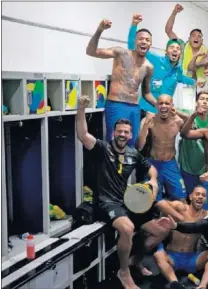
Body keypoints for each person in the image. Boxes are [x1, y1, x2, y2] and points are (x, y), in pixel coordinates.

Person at [76, 95, 168, 289]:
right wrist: (81, 109)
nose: (122, 135)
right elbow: (83, 135)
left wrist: (152, 180)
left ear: (130, 135)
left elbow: (151, 169)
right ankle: (124, 272)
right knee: (127, 229)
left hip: (126, 202)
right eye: (119, 131)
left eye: (126, 132)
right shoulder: (102, 148)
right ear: (114, 133)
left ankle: (135, 260)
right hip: (105, 203)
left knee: (161, 229)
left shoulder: (132, 153)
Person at [86, 19, 157, 146]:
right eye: (141, 39)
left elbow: (146, 93)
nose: (144, 42)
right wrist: (100, 30)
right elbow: (91, 51)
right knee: (115, 143)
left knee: (131, 144)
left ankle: (128, 167)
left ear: (150, 44)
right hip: (116, 104)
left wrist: (161, 105)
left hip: (135, 108)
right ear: (135, 41)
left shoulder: (149, 67)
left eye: (147, 40)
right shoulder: (121, 53)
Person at [128, 13, 199, 115]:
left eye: (178, 49)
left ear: (180, 54)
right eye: (172, 47)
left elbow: (183, 78)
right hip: (146, 110)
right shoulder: (155, 60)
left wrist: (196, 83)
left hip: (164, 112)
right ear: (166, 51)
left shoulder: (178, 71)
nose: (175, 50)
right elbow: (133, 48)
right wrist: (134, 25)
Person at [154, 186, 208, 289]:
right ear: (190, 197)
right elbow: (160, 203)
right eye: (197, 194)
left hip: (191, 259)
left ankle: (203, 285)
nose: (200, 197)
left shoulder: (206, 215)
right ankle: (175, 284)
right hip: (172, 257)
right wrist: (178, 216)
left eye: (203, 195)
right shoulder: (181, 207)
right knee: (158, 255)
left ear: (206, 199)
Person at [137, 95, 186, 202]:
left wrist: (178, 112)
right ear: (156, 105)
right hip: (152, 164)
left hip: (170, 164)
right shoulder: (148, 120)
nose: (164, 106)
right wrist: (146, 125)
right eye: (161, 103)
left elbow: (193, 123)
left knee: (182, 199)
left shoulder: (178, 121)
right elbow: (139, 146)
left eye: (167, 103)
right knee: (150, 199)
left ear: (172, 106)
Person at [178, 91, 208, 194]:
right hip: (186, 168)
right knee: (186, 200)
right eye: (202, 99)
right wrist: (192, 116)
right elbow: (172, 110)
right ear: (196, 102)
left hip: (204, 171)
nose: (204, 102)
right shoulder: (186, 116)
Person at [165, 4, 208, 79]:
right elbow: (168, 31)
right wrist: (174, 13)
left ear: (202, 41)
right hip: (182, 83)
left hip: (198, 85)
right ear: (189, 39)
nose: (196, 38)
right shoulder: (182, 46)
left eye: (199, 36)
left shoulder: (205, 52)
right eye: (194, 35)